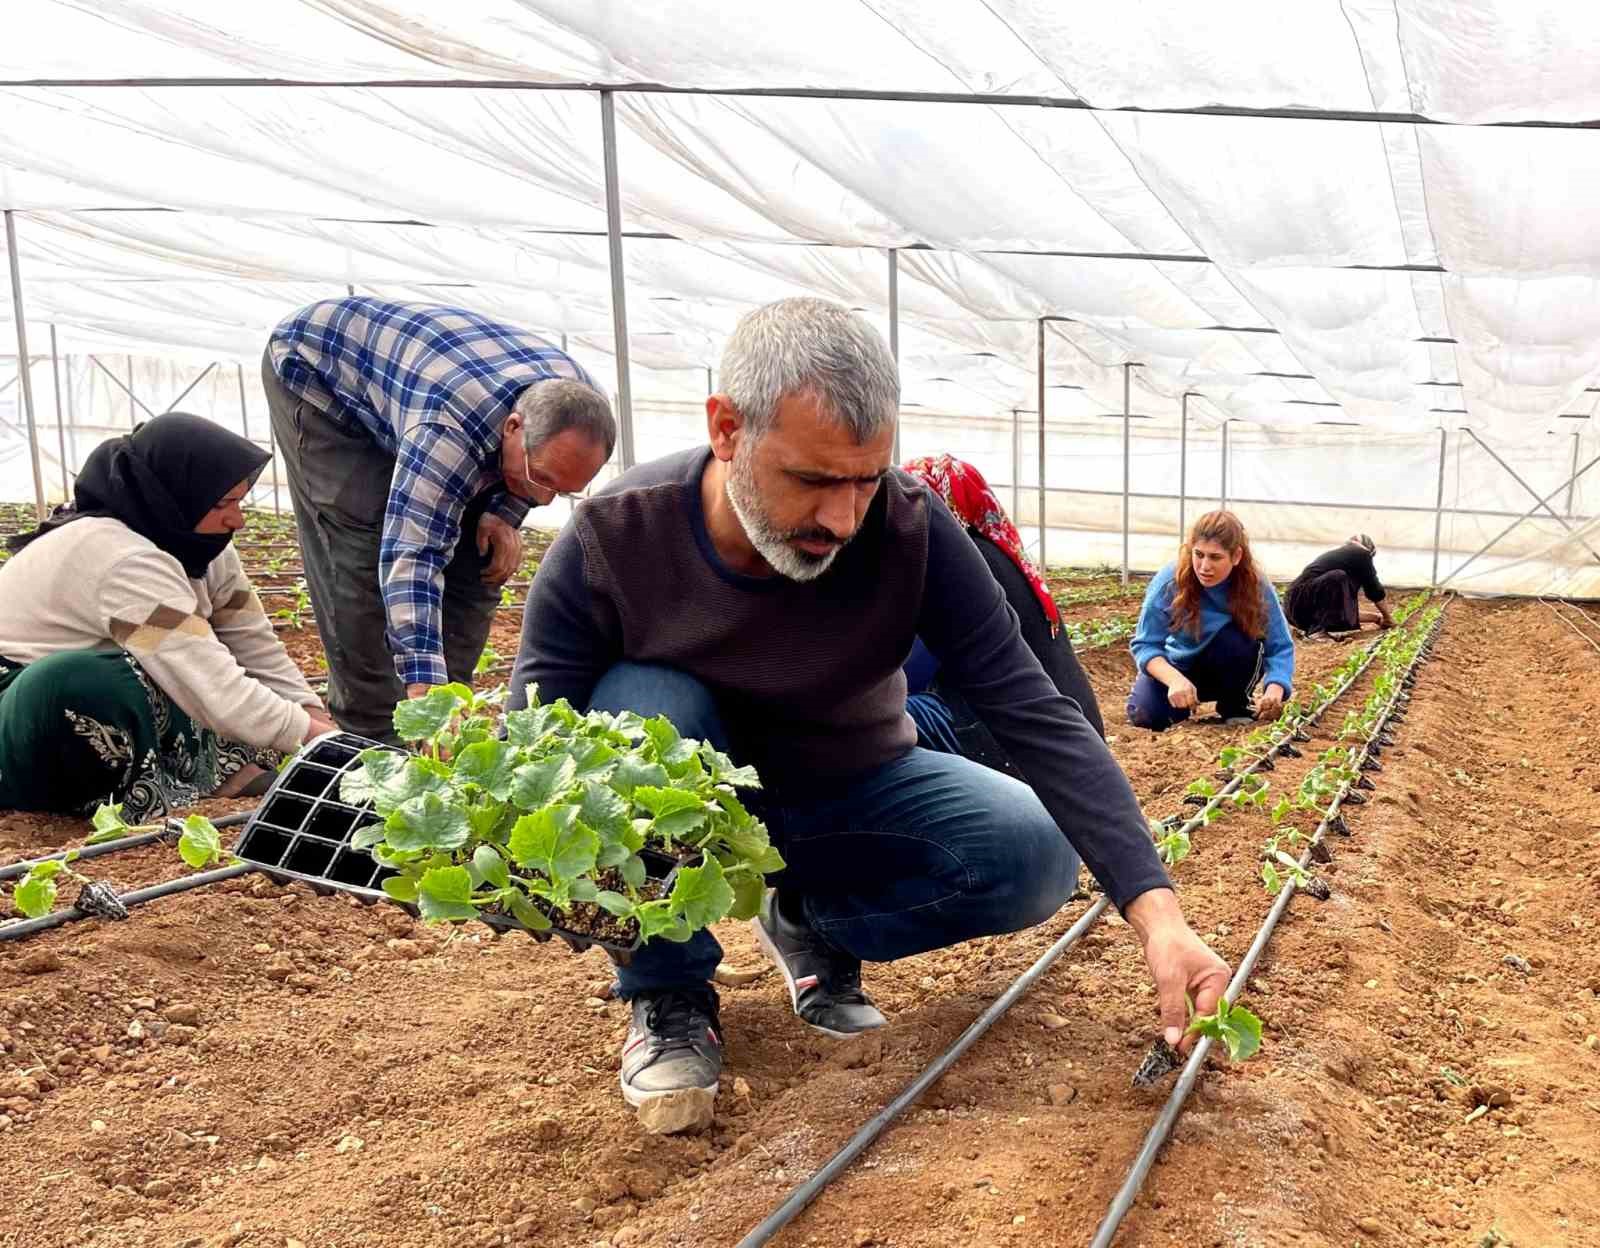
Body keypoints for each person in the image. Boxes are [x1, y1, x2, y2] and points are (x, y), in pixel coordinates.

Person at [510, 297, 1228, 1123]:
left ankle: (815, 925)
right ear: (726, 429)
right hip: (698, 810)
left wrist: (1158, 914)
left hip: (849, 784)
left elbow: (1032, 707)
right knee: (645, 706)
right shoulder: (615, 539)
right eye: (812, 480)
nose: (843, 518)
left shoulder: (910, 528)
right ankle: (669, 990)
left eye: (865, 479)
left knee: (1036, 854)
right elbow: (541, 742)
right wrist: (559, 878)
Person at [263, 297, 615, 742]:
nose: (544, 500)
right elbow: (411, 555)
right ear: (512, 428)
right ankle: (371, 738)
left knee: (479, 550)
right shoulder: (448, 430)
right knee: (359, 549)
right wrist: (423, 681)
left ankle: (443, 725)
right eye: (539, 479)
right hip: (320, 374)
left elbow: (542, 476)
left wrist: (502, 511)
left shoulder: (583, 412)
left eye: (562, 490)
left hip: (430, 386)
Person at [0, 414, 338, 820]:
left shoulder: (203, 547)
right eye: (223, 504)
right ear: (172, 495)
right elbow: (213, 688)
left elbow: (251, 640)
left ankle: (218, 770)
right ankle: (141, 790)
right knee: (86, 681)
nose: (238, 519)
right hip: (21, 708)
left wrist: (314, 715)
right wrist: (327, 744)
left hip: (137, 669)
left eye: (240, 502)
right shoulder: (121, 560)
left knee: (190, 662)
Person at [899, 453, 1105, 776]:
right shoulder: (1003, 554)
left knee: (887, 718)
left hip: (1012, 742)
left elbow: (915, 670)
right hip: (1072, 738)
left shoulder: (965, 563)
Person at [1126, 510, 1294, 733]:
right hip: (1179, 666)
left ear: (1236, 557)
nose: (1204, 566)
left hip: (1226, 664)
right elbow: (1145, 644)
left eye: (1215, 557)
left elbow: (1279, 645)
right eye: (1199, 554)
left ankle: (1235, 703)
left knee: (1235, 638)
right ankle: (1183, 702)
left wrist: (1275, 688)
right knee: (1147, 715)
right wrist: (1175, 680)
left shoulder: (1255, 586)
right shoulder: (1169, 582)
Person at [1286, 534, 1394, 638]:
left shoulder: (1339, 561)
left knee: (1339, 578)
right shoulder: (1361, 554)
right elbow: (1375, 591)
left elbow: (1341, 612)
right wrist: (1388, 617)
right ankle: (1317, 631)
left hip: (1295, 611)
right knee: (1337, 577)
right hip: (1300, 603)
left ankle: (1317, 629)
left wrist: (1377, 619)